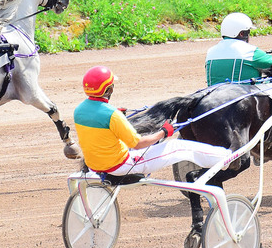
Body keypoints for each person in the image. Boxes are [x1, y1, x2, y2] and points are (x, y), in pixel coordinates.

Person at [73, 66, 236, 182]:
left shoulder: (79, 110)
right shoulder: (112, 115)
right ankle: (226, 158)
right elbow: (137, 144)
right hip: (122, 165)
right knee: (177, 147)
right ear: (109, 89)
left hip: (95, 164)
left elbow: (100, 131)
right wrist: (164, 133)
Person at [205, 13, 272, 86]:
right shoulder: (250, 51)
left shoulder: (211, 52)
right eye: (248, 32)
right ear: (242, 34)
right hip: (244, 95)